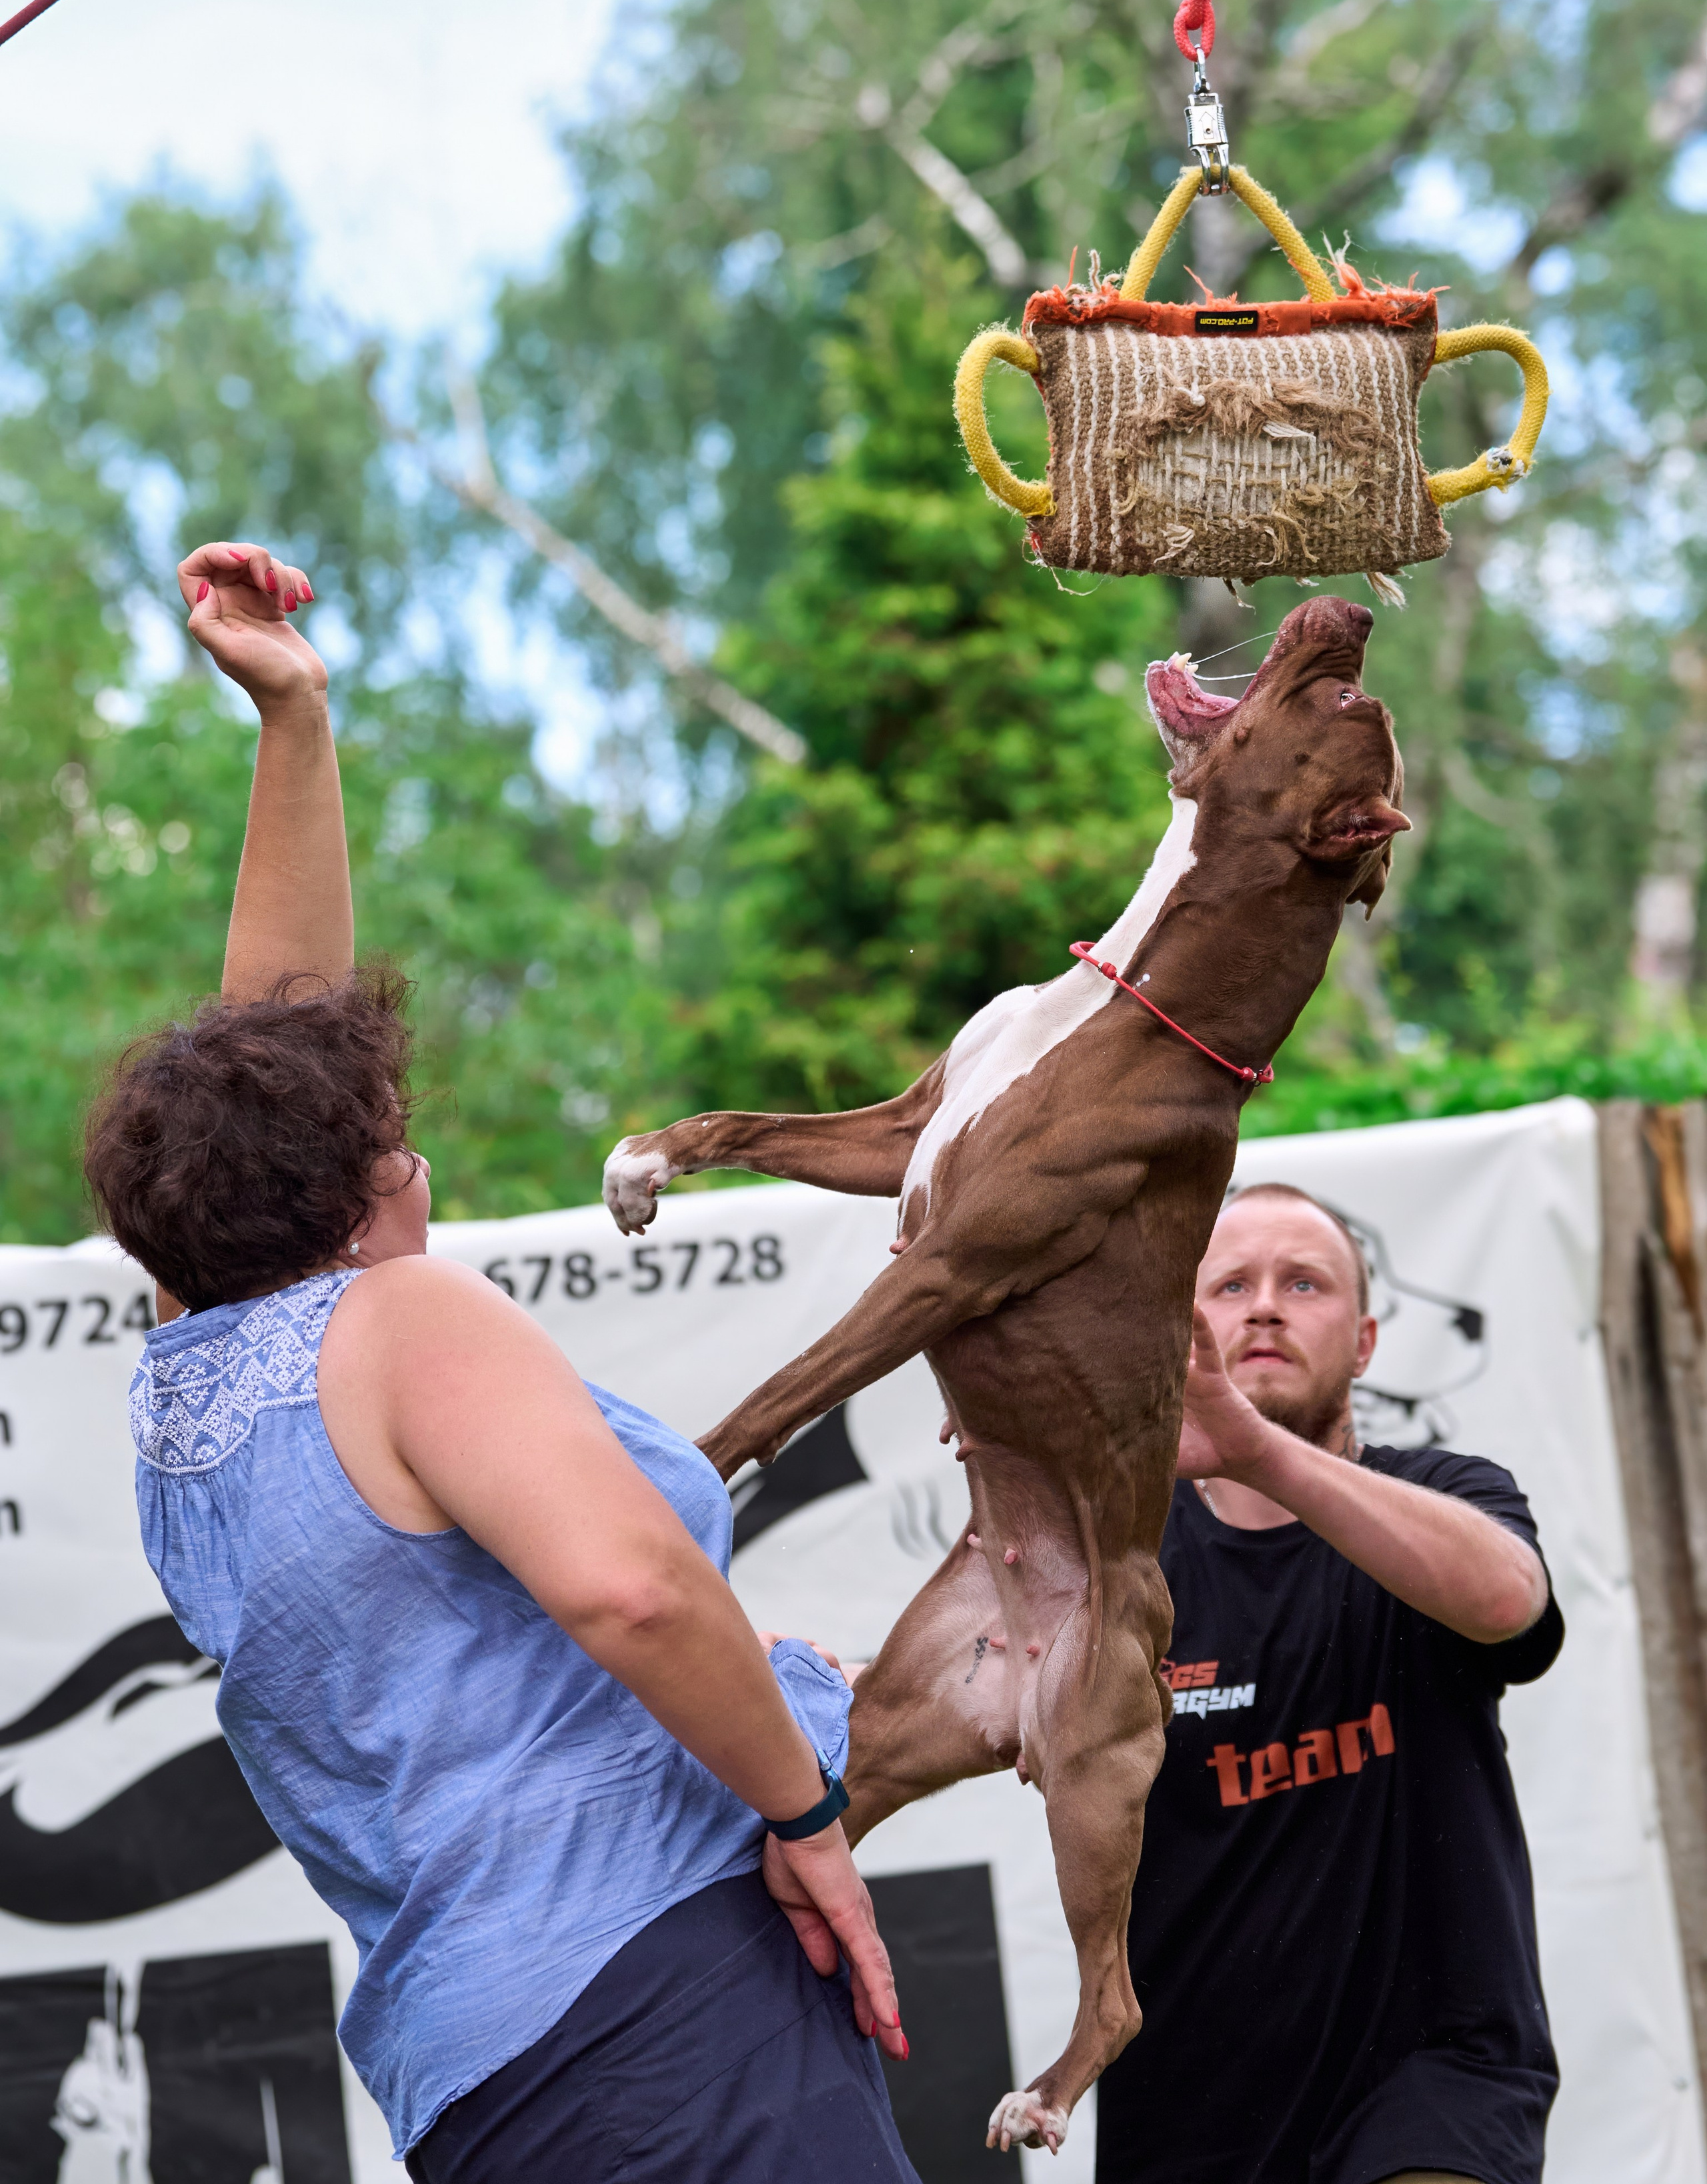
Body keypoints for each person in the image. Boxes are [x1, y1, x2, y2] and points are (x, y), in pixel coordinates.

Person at [84, 541, 916, 2184]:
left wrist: (294, 722)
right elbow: (633, 1595)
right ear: (357, 1175)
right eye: (385, 1119)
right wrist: (804, 1814)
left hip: (484, 2086)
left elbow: (272, 1040)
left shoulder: (190, 1379)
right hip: (665, 2003)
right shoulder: (399, 1320)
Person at [1096, 1181, 1562, 2184]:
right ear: (1180, 1328)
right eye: (1229, 1284)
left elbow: (1510, 1603)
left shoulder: (1448, 1492)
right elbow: (975, 1698)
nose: (1264, 1305)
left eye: (1303, 1282)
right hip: (1186, 2108)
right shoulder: (1118, 1560)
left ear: (1363, 1340)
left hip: (1436, 2078)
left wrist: (1257, 1451)